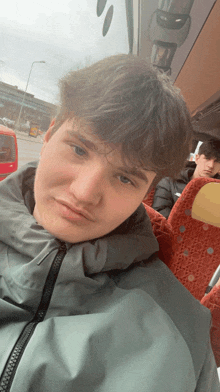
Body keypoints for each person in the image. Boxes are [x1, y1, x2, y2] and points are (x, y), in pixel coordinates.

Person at [0, 54, 219, 392]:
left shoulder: (181, 332)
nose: (85, 193)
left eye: (125, 178)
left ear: (147, 192)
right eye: (78, 150)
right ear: (48, 135)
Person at [152, 140, 220, 218]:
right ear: (197, 158)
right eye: (207, 158)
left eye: (217, 161)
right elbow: (159, 214)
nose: (211, 165)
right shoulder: (170, 181)